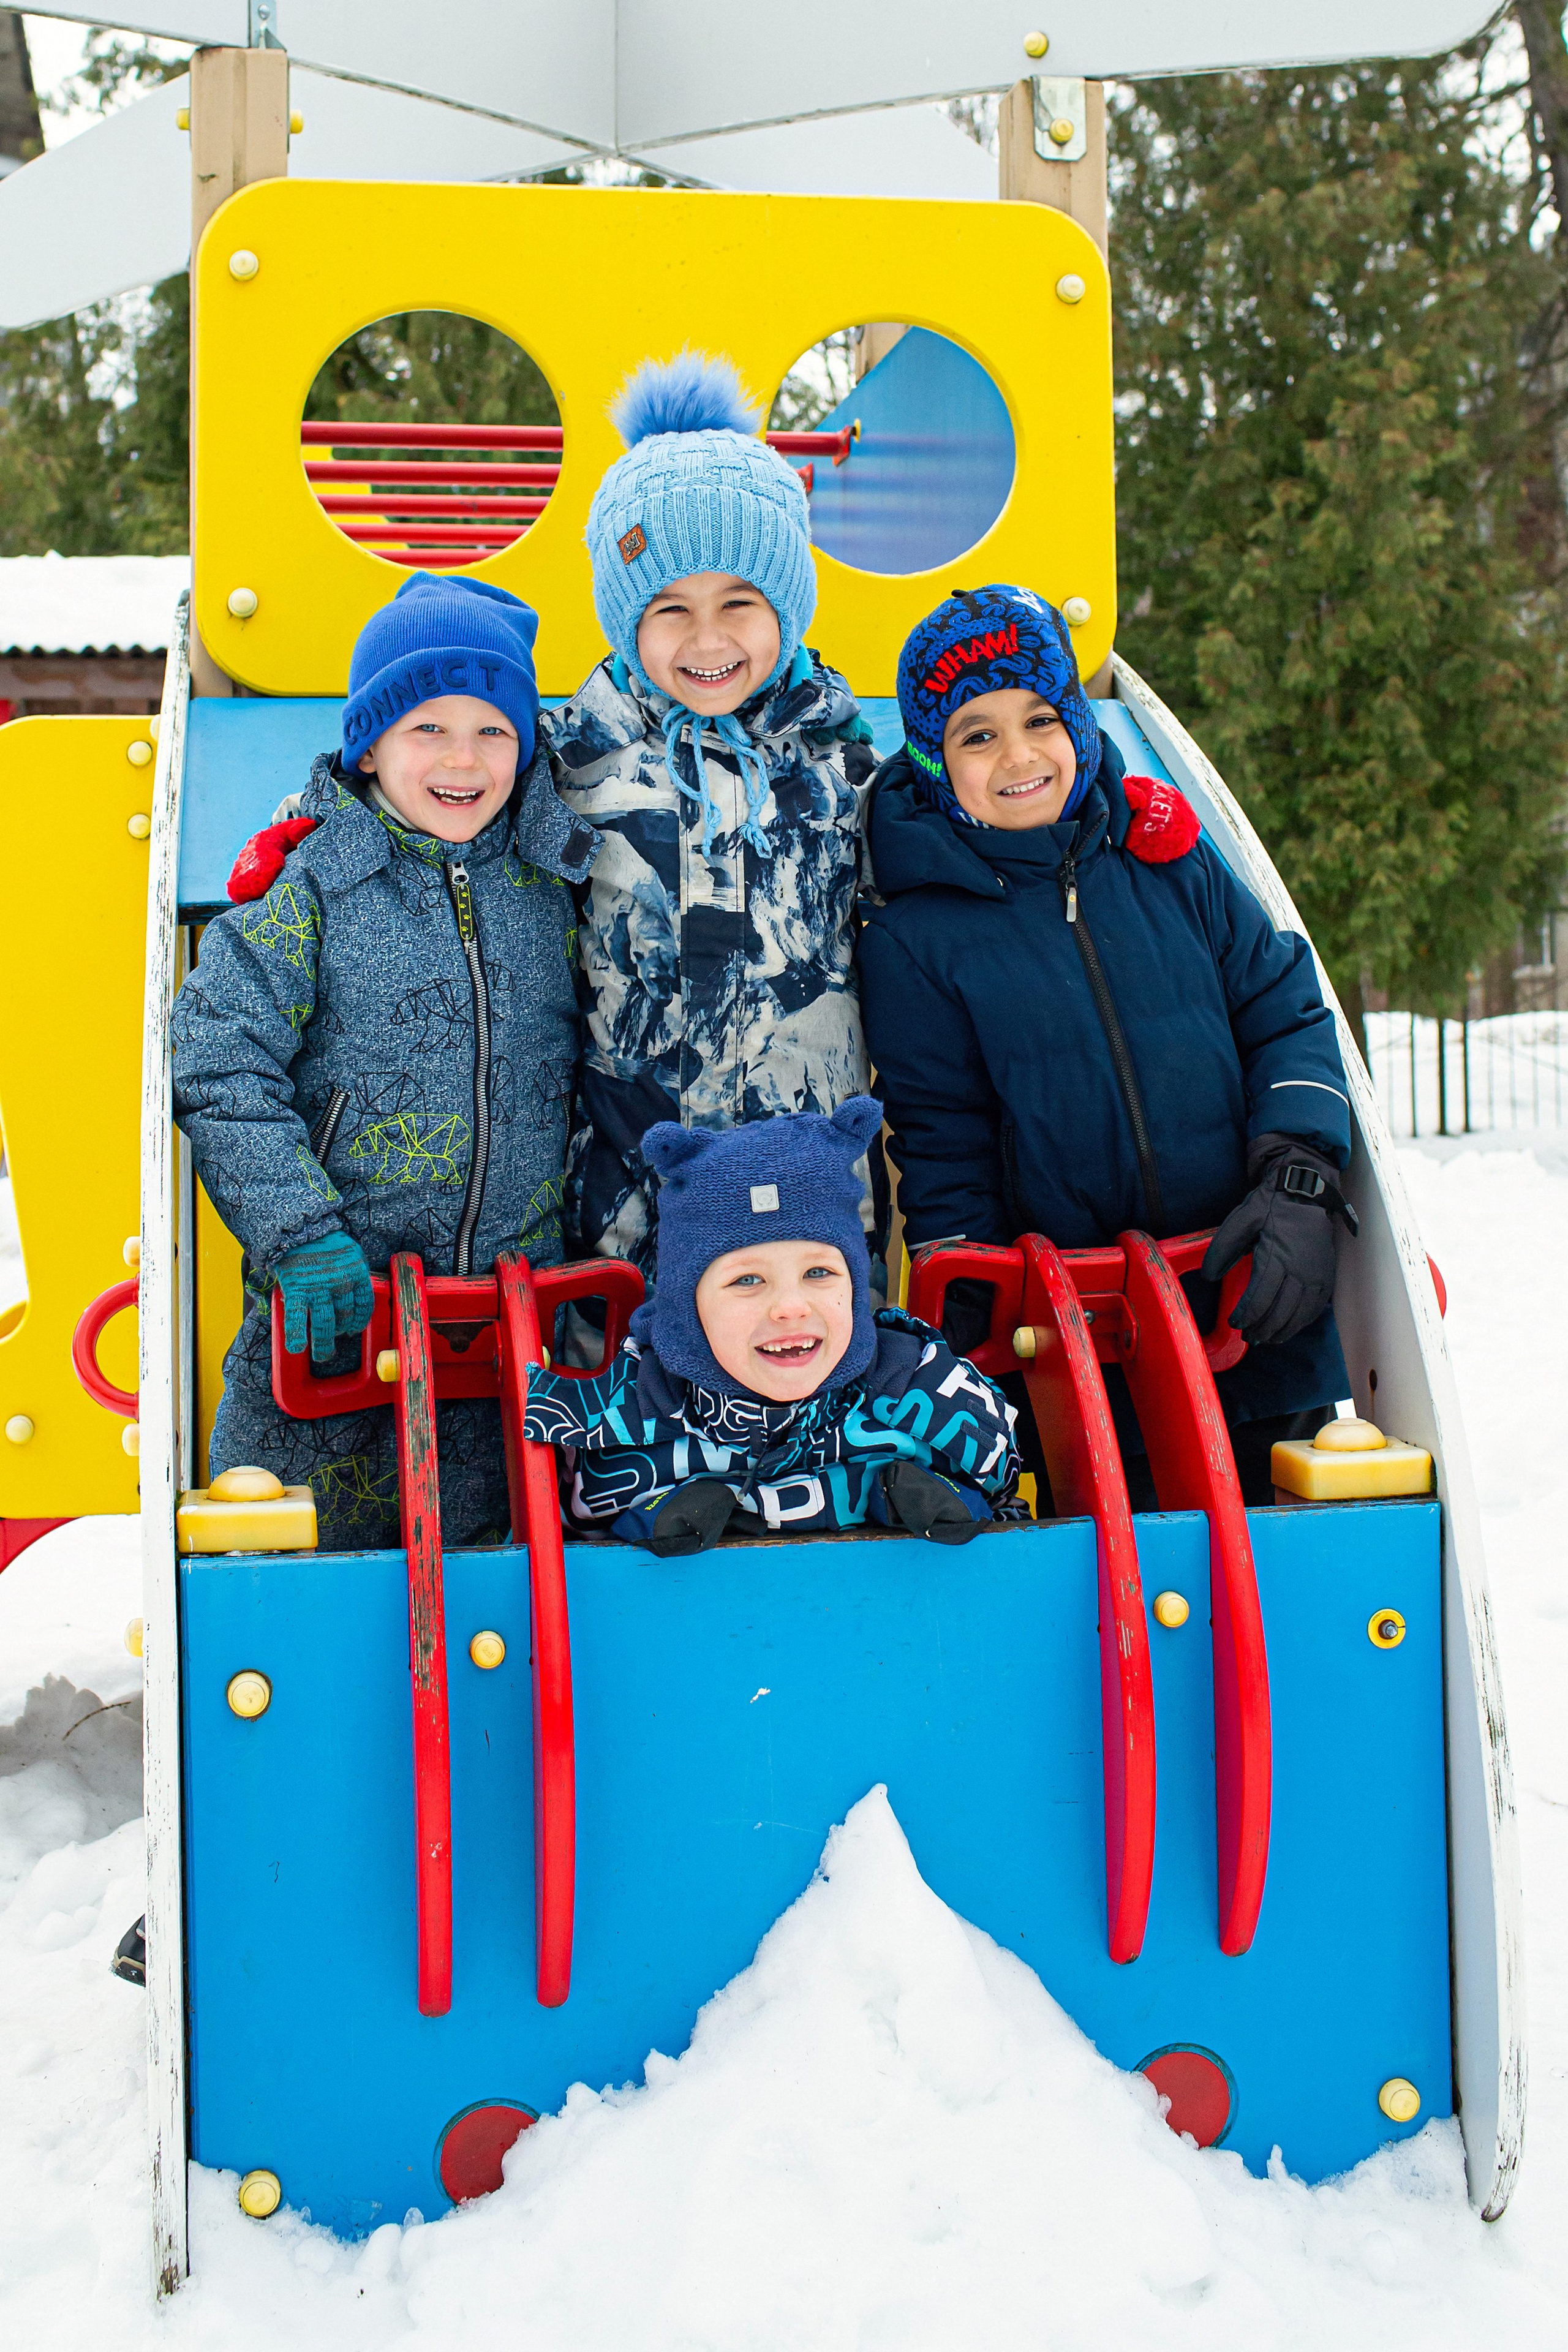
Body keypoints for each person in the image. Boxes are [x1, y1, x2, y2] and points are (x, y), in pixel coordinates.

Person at [856, 584, 1358, 1508]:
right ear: (933, 758)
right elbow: (941, 1133)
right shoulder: (915, 929)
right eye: (977, 734)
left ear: (1079, 722)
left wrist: (1298, 1181)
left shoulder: (1164, 852)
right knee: (1124, 1588)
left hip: (1249, 1289)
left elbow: (1280, 1004)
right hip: (1078, 1341)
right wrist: (984, 1318)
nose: (1018, 756)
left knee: (1280, 1565)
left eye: (1040, 718)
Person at [172, 572, 599, 1546]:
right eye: (428, 730)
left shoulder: (552, 885)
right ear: (370, 743)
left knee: (499, 1602)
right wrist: (298, 1234)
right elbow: (217, 1056)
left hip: (505, 1334)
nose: (464, 758)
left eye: (494, 730)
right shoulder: (315, 884)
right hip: (339, 1321)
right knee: (321, 1591)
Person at [543, 350, 878, 1289]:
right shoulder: (573, 762)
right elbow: (443, 807)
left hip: (811, 1179)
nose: (708, 640)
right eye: (670, 609)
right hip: (634, 1182)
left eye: (742, 602)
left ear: (790, 605)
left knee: (812, 1390)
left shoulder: (841, 761)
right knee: (636, 1403)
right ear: (623, 619)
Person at [518, 1098, 1022, 1553]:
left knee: (955, 1501)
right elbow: (582, 1515)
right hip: (712, 1618)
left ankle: (896, 1495)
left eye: (818, 1273)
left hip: (893, 1612)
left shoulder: (906, 1377)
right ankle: (675, 1517)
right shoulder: (648, 1399)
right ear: (686, 1309)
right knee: (635, 1520)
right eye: (748, 1281)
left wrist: (985, 1507)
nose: (789, 1307)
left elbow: (1002, 1476)